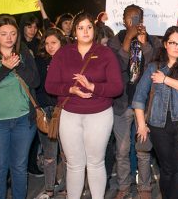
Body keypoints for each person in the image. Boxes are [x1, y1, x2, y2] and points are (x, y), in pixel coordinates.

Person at [45, 12, 124, 199]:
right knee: (74, 164)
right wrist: (71, 89)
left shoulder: (106, 53)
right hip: (69, 115)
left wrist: (93, 86)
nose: (85, 31)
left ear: (94, 30)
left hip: (100, 114)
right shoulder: (63, 53)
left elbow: (117, 87)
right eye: (80, 28)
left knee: (96, 162)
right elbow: (50, 85)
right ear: (74, 32)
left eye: (89, 27)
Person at [132, 26, 178, 199]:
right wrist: (141, 125)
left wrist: (165, 79)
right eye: (173, 43)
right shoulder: (154, 67)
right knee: (167, 168)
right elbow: (139, 97)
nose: (177, 47)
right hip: (157, 125)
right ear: (165, 44)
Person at [108, 4, 161, 199]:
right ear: (123, 20)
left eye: (137, 18)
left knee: (143, 148)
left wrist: (143, 42)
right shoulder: (115, 41)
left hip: (144, 104)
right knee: (122, 150)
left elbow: (154, 64)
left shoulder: (153, 40)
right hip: (121, 103)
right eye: (130, 19)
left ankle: (145, 187)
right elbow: (117, 66)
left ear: (142, 20)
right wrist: (128, 39)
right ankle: (123, 185)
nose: (133, 22)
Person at [0, 15, 39, 199]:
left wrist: (18, 65)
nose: (9, 37)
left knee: (19, 167)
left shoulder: (23, 52)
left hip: (23, 120)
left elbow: (35, 81)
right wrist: (5, 68)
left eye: (13, 33)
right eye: (4, 33)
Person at [35, 28, 68, 198]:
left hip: (64, 110)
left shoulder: (70, 59)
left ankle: (68, 187)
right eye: (46, 43)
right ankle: (49, 189)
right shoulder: (40, 60)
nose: (50, 46)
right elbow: (36, 85)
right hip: (46, 111)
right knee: (49, 154)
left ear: (62, 42)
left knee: (66, 153)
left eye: (53, 42)